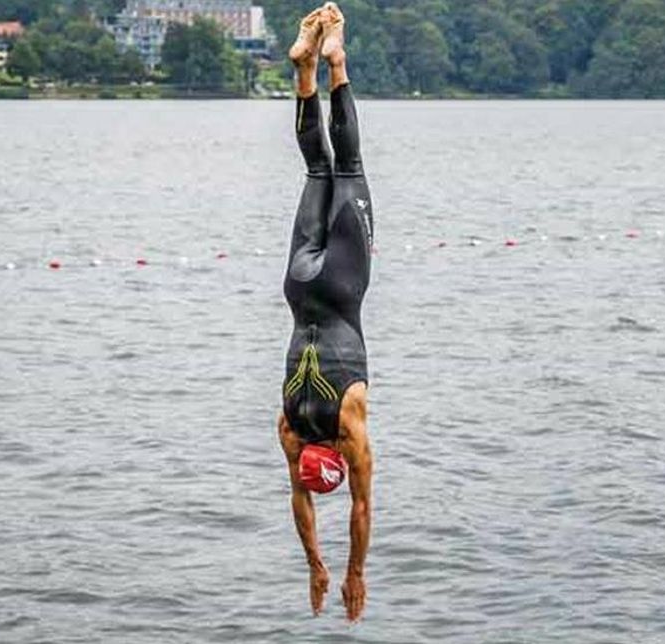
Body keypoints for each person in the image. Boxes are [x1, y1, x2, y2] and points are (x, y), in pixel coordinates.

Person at [277, 2, 375, 623]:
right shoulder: (288, 426)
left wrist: (349, 570)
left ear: (335, 458)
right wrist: (315, 561)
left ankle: (334, 62)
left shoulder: (348, 427)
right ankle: (304, 72)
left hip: (339, 286)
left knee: (350, 167)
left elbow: (359, 509)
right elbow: (299, 500)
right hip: (299, 285)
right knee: (317, 167)